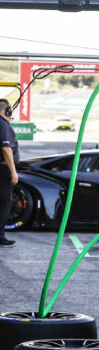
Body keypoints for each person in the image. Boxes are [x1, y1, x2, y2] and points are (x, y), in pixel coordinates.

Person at [0, 98, 20, 248]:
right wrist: (13, 172)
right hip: (3, 171)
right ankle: (0, 237)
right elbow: (6, 149)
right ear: (7, 111)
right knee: (4, 204)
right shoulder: (3, 125)